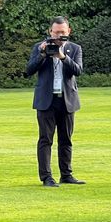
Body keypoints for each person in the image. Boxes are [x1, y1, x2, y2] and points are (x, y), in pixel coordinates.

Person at [25, 16, 84, 187]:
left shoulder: (74, 49)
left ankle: (66, 174)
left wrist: (63, 57)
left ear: (69, 32)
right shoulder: (39, 47)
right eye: (56, 32)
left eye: (63, 33)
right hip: (46, 100)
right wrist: (43, 54)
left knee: (66, 139)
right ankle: (46, 177)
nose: (59, 36)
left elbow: (78, 70)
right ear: (50, 32)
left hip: (67, 100)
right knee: (45, 140)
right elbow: (29, 70)